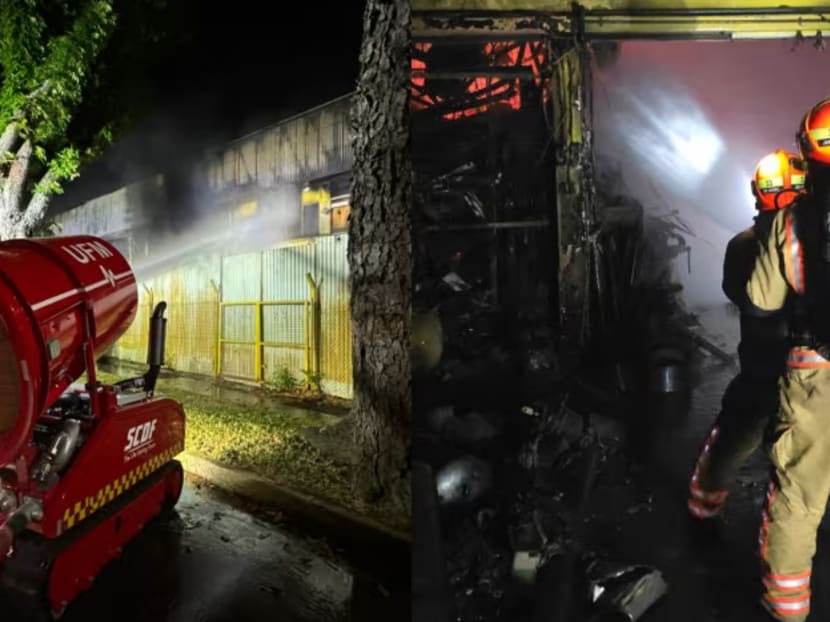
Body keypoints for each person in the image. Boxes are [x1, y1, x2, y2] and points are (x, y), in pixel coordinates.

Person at [745, 97, 830, 622]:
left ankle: (787, 609)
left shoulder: (791, 223)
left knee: (798, 497)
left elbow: (760, 302)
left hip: (814, 371)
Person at [687, 150, 806, 524]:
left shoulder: (742, 245)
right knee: (807, 455)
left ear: (758, 193)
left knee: (732, 438)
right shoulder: (814, 247)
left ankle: (703, 510)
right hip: (810, 373)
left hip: (760, 367)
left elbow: (738, 294)